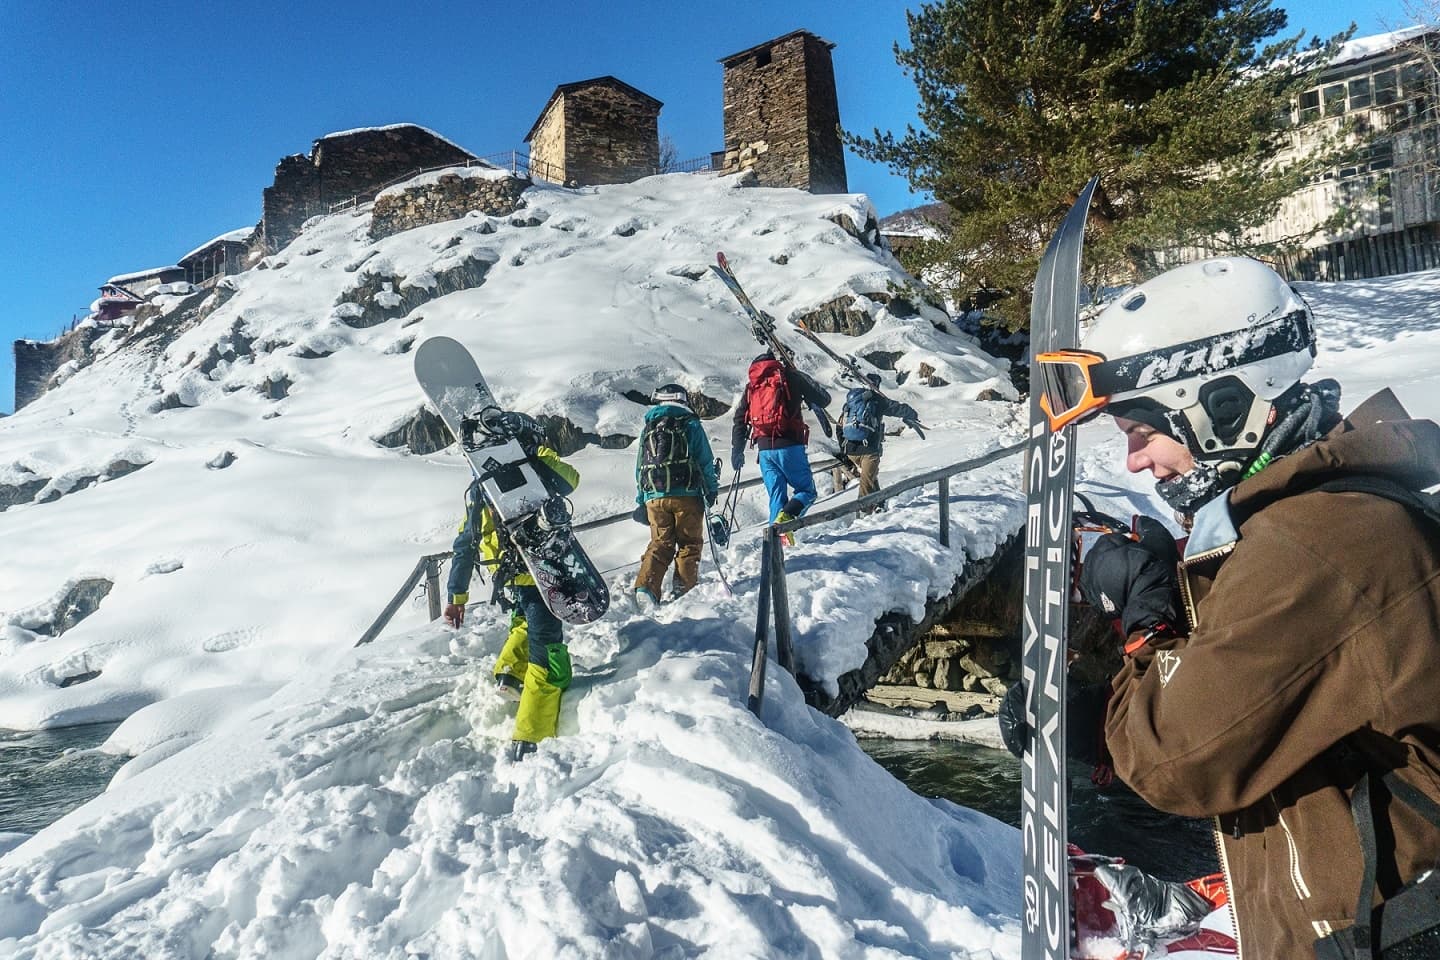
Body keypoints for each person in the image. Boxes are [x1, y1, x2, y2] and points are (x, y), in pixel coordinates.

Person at [1028, 256, 1440, 958]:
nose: (1134, 462)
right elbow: (1263, 703)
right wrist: (1098, 724)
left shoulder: (1317, 543)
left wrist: (1144, 618)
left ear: (1220, 407)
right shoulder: (1316, 521)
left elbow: (1177, 765)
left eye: (1139, 433)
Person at [442, 411, 581, 763]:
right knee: (547, 652)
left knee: (524, 622)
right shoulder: (536, 463)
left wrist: (456, 597)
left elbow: (465, 543)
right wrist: (536, 455)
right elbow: (570, 479)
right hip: (542, 571)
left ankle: (508, 674)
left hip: (510, 575)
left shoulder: (482, 488)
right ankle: (530, 736)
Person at [633, 382, 720, 605]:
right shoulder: (690, 423)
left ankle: (646, 587)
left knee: (660, 543)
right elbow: (705, 459)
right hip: (687, 495)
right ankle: (684, 591)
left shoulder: (649, 427)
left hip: (654, 496)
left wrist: (642, 499)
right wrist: (710, 490)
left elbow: (640, 466)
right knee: (689, 544)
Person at [730, 350, 832, 526]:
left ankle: (776, 545)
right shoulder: (790, 377)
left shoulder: (752, 386)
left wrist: (737, 451)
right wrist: (799, 376)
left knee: (776, 497)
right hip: (789, 446)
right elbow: (824, 399)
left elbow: (740, 420)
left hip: (764, 452)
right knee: (807, 491)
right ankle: (785, 522)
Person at [835, 372, 922, 508]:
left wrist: (844, 447)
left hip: (851, 450)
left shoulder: (851, 403)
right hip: (869, 451)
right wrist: (913, 414)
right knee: (866, 483)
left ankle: (879, 505)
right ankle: (864, 511)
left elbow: (840, 426)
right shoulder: (875, 400)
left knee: (871, 477)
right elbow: (896, 408)